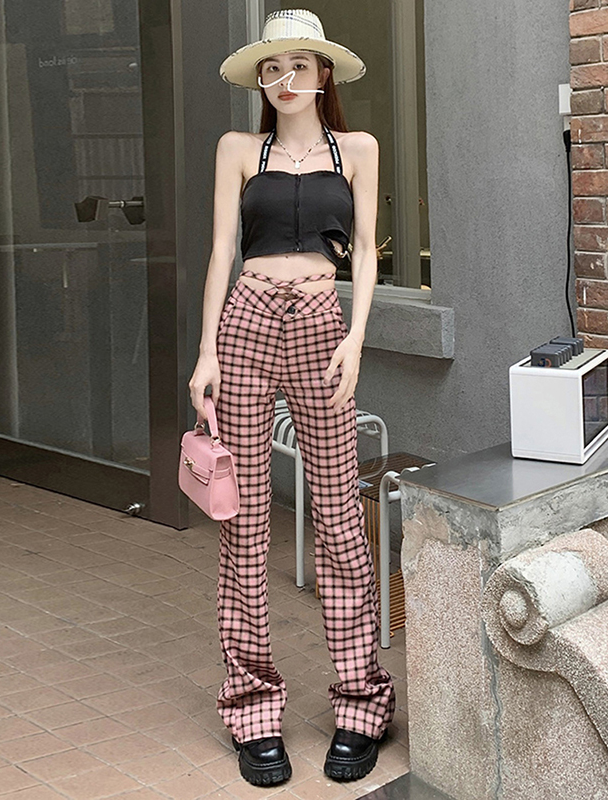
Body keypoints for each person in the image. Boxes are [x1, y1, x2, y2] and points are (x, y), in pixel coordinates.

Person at [188, 8, 395, 788]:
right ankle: (252, 708)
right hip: (245, 321)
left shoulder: (357, 149)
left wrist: (356, 336)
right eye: (270, 69)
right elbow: (220, 250)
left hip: (321, 325)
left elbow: (365, 251)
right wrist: (206, 351)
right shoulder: (238, 149)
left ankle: (362, 703)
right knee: (243, 522)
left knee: (337, 516)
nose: (282, 80)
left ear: (323, 73)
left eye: (296, 66)